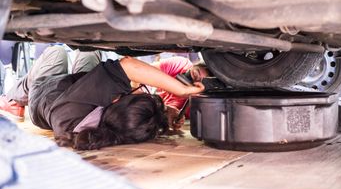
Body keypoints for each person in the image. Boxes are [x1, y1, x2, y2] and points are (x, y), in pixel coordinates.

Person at [0, 46, 204, 150]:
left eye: (138, 90)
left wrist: (182, 90)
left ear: (115, 99)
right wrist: (163, 116)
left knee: (57, 53)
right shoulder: (115, 126)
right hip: (71, 91)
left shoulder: (78, 104)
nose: (139, 87)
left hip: (45, 90)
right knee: (89, 54)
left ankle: (11, 100)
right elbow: (138, 122)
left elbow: (129, 65)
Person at [152, 56, 210, 130]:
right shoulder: (180, 64)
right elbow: (141, 70)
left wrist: (169, 113)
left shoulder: (192, 105)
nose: (196, 78)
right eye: (196, 73)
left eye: (200, 81)